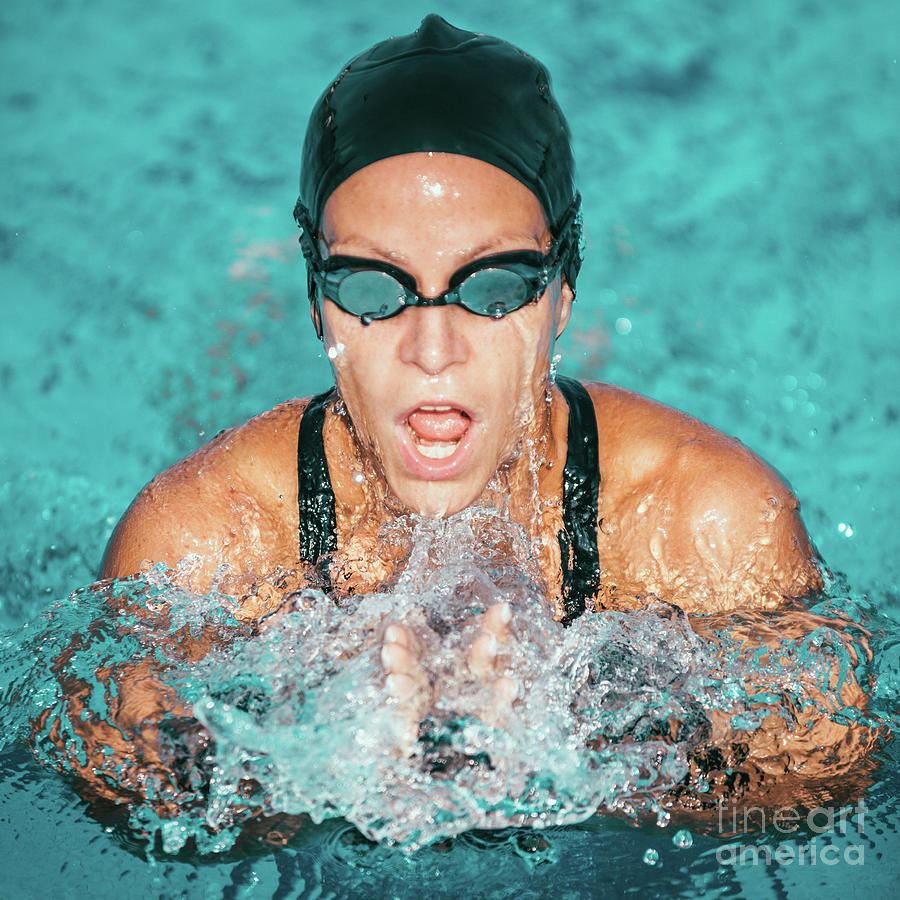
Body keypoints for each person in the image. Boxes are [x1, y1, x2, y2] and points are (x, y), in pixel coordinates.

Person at [48, 15, 877, 840]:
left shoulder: (704, 519)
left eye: (495, 287)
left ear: (562, 293)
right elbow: (118, 789)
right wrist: (321, 761)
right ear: (316, 302)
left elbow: (827, 786)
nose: (433, 350)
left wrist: (579, 758)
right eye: (373, 288)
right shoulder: (204, 538)